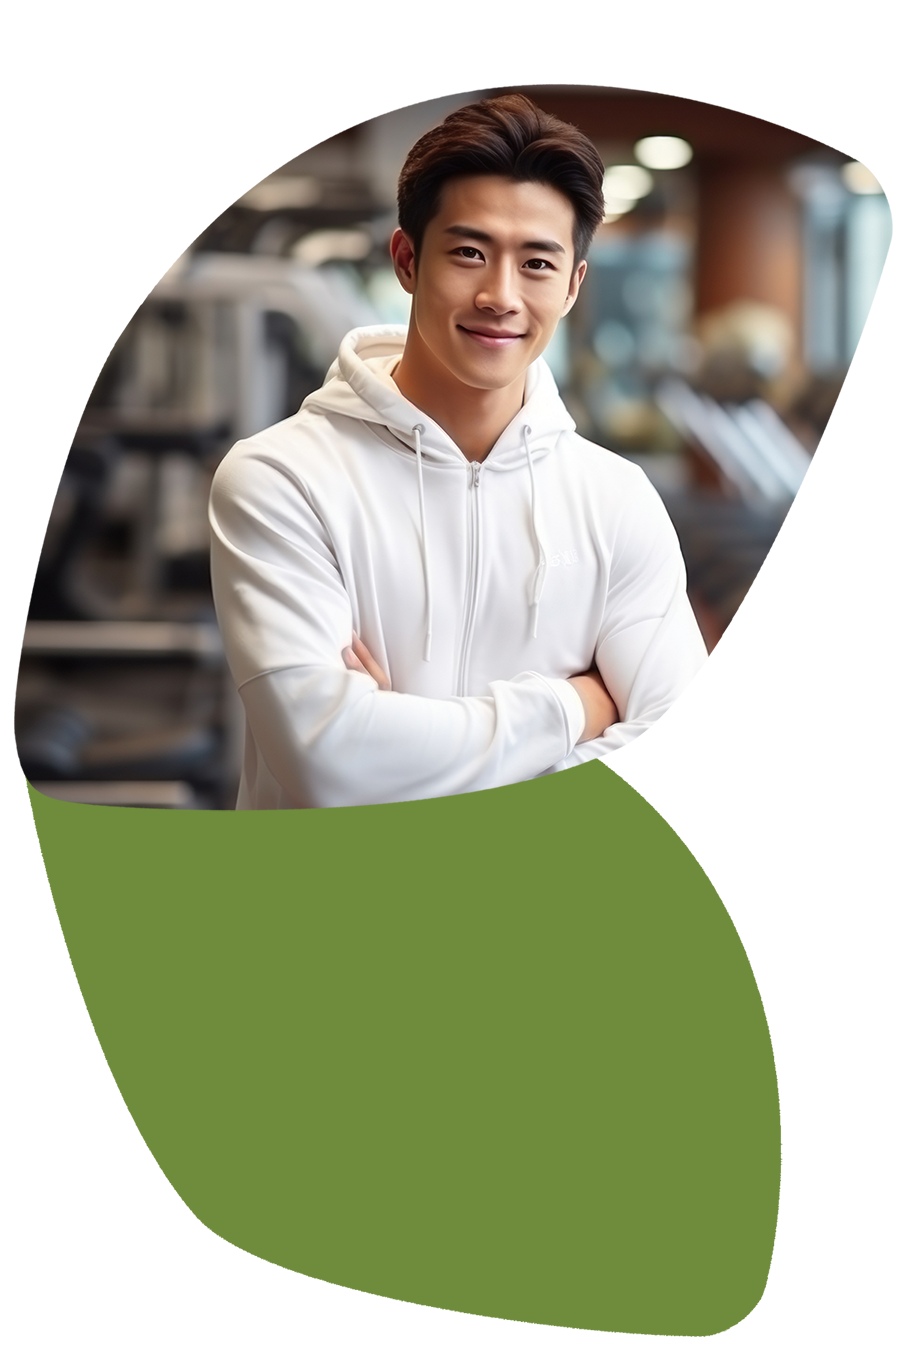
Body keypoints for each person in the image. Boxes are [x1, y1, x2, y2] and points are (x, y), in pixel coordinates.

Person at [209, 94, 708, 809]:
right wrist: (577, 710)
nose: (501, 296)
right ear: (408, 259)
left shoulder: (616, 500)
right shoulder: (282, 478)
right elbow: (327, 765)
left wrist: (394, 750)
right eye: (470, 253)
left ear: (573, 286)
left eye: (537, 263)